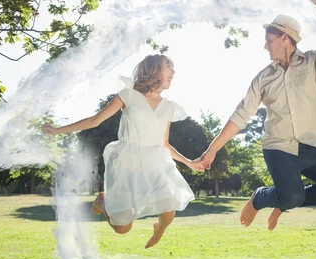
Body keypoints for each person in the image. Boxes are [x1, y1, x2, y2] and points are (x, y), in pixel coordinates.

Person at [200, 0, 316, 231]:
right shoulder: (263, 78)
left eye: (269, 40)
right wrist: (213, 149)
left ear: (285, 38)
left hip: (308, 147)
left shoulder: (314, 64)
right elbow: (241, 115)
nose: (265, 46)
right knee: (293, 194)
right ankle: (261, 197)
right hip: (278, 148)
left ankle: (283, 201)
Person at [43, 54, 204, 248]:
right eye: (169, 66)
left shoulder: (168, 107)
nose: (173, 71)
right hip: (127, 164)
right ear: (154, 70)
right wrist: (58, 130)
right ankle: (103, 201)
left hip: (155, 165)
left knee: (169, 212)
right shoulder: (127, 95)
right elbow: (95, 120)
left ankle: (158, 229)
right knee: (122, 229)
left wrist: (190, 163)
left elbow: (165, 144)